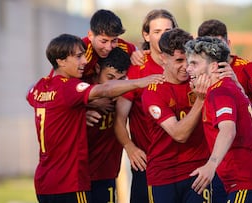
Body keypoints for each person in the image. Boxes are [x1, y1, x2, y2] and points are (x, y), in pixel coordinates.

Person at [26, 33, 164, 203]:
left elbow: (30, 93)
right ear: (61, 61)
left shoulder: (42, 86)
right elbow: (104, 89)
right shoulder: (71, 88)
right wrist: (141, 81)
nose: (84, 61)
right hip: (70, 180)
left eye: (122, 80)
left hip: (46, 180)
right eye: (78, 57)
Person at [185, 36, 252, 202]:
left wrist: (211, 164)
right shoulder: (228, 87)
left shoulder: (219, 91)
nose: (188, 69)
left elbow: (228, 130)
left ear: (214, 67)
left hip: (248, 186)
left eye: (194, 63)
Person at [141, 28, 225, 203]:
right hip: (164, 177)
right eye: (179, 60)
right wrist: (200, 100)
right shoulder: (153, 92)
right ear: (163, 58)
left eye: (189, 60)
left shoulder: (201, 80)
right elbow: (179, 134)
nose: (186, 67)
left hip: (198, 173)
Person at [114, 9, 178, 203]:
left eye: (168, 30)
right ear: (146, 35)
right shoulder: (136, 69)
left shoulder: (187, 66)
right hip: (148, 163)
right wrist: (129, 147)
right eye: (157, 31)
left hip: (184, 163)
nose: (163, 36)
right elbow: (119, 118)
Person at [198, 19, 252, 114]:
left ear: (228, 44)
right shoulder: (196, 69)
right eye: (210, 47)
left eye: (219, 45)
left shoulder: (246, 67)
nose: (215, 51)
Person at [86, 47, 130, 203]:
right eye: (110, 77)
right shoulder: (82, 90)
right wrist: (81, 112)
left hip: (107, 172)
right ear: (97, 69)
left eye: (121, 79)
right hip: (78, 176)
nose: (115, 85)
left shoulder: (125, 93)